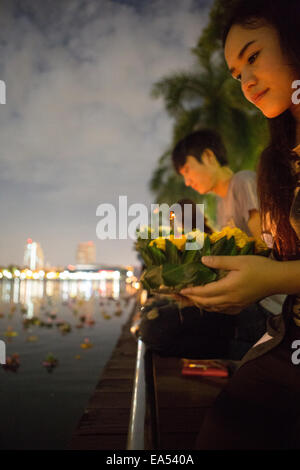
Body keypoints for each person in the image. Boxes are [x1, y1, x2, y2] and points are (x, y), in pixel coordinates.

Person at [179, 0, 300, 449]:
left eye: (253, 57)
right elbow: (272, 258)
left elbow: (269, 263)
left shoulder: (246, 183)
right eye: (235, 73)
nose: (246, 82)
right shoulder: (275, 162)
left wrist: (266, 280)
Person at [139, 130, 279, 360]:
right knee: (153, 314)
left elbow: (265, 250)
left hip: (263, 305)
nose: (187, 181)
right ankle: (246, 351)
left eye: (187, 170)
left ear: (209, 156)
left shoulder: (243, 181)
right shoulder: (221, 203)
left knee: (155, 327)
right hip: (242, 300)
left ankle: (256, 353)